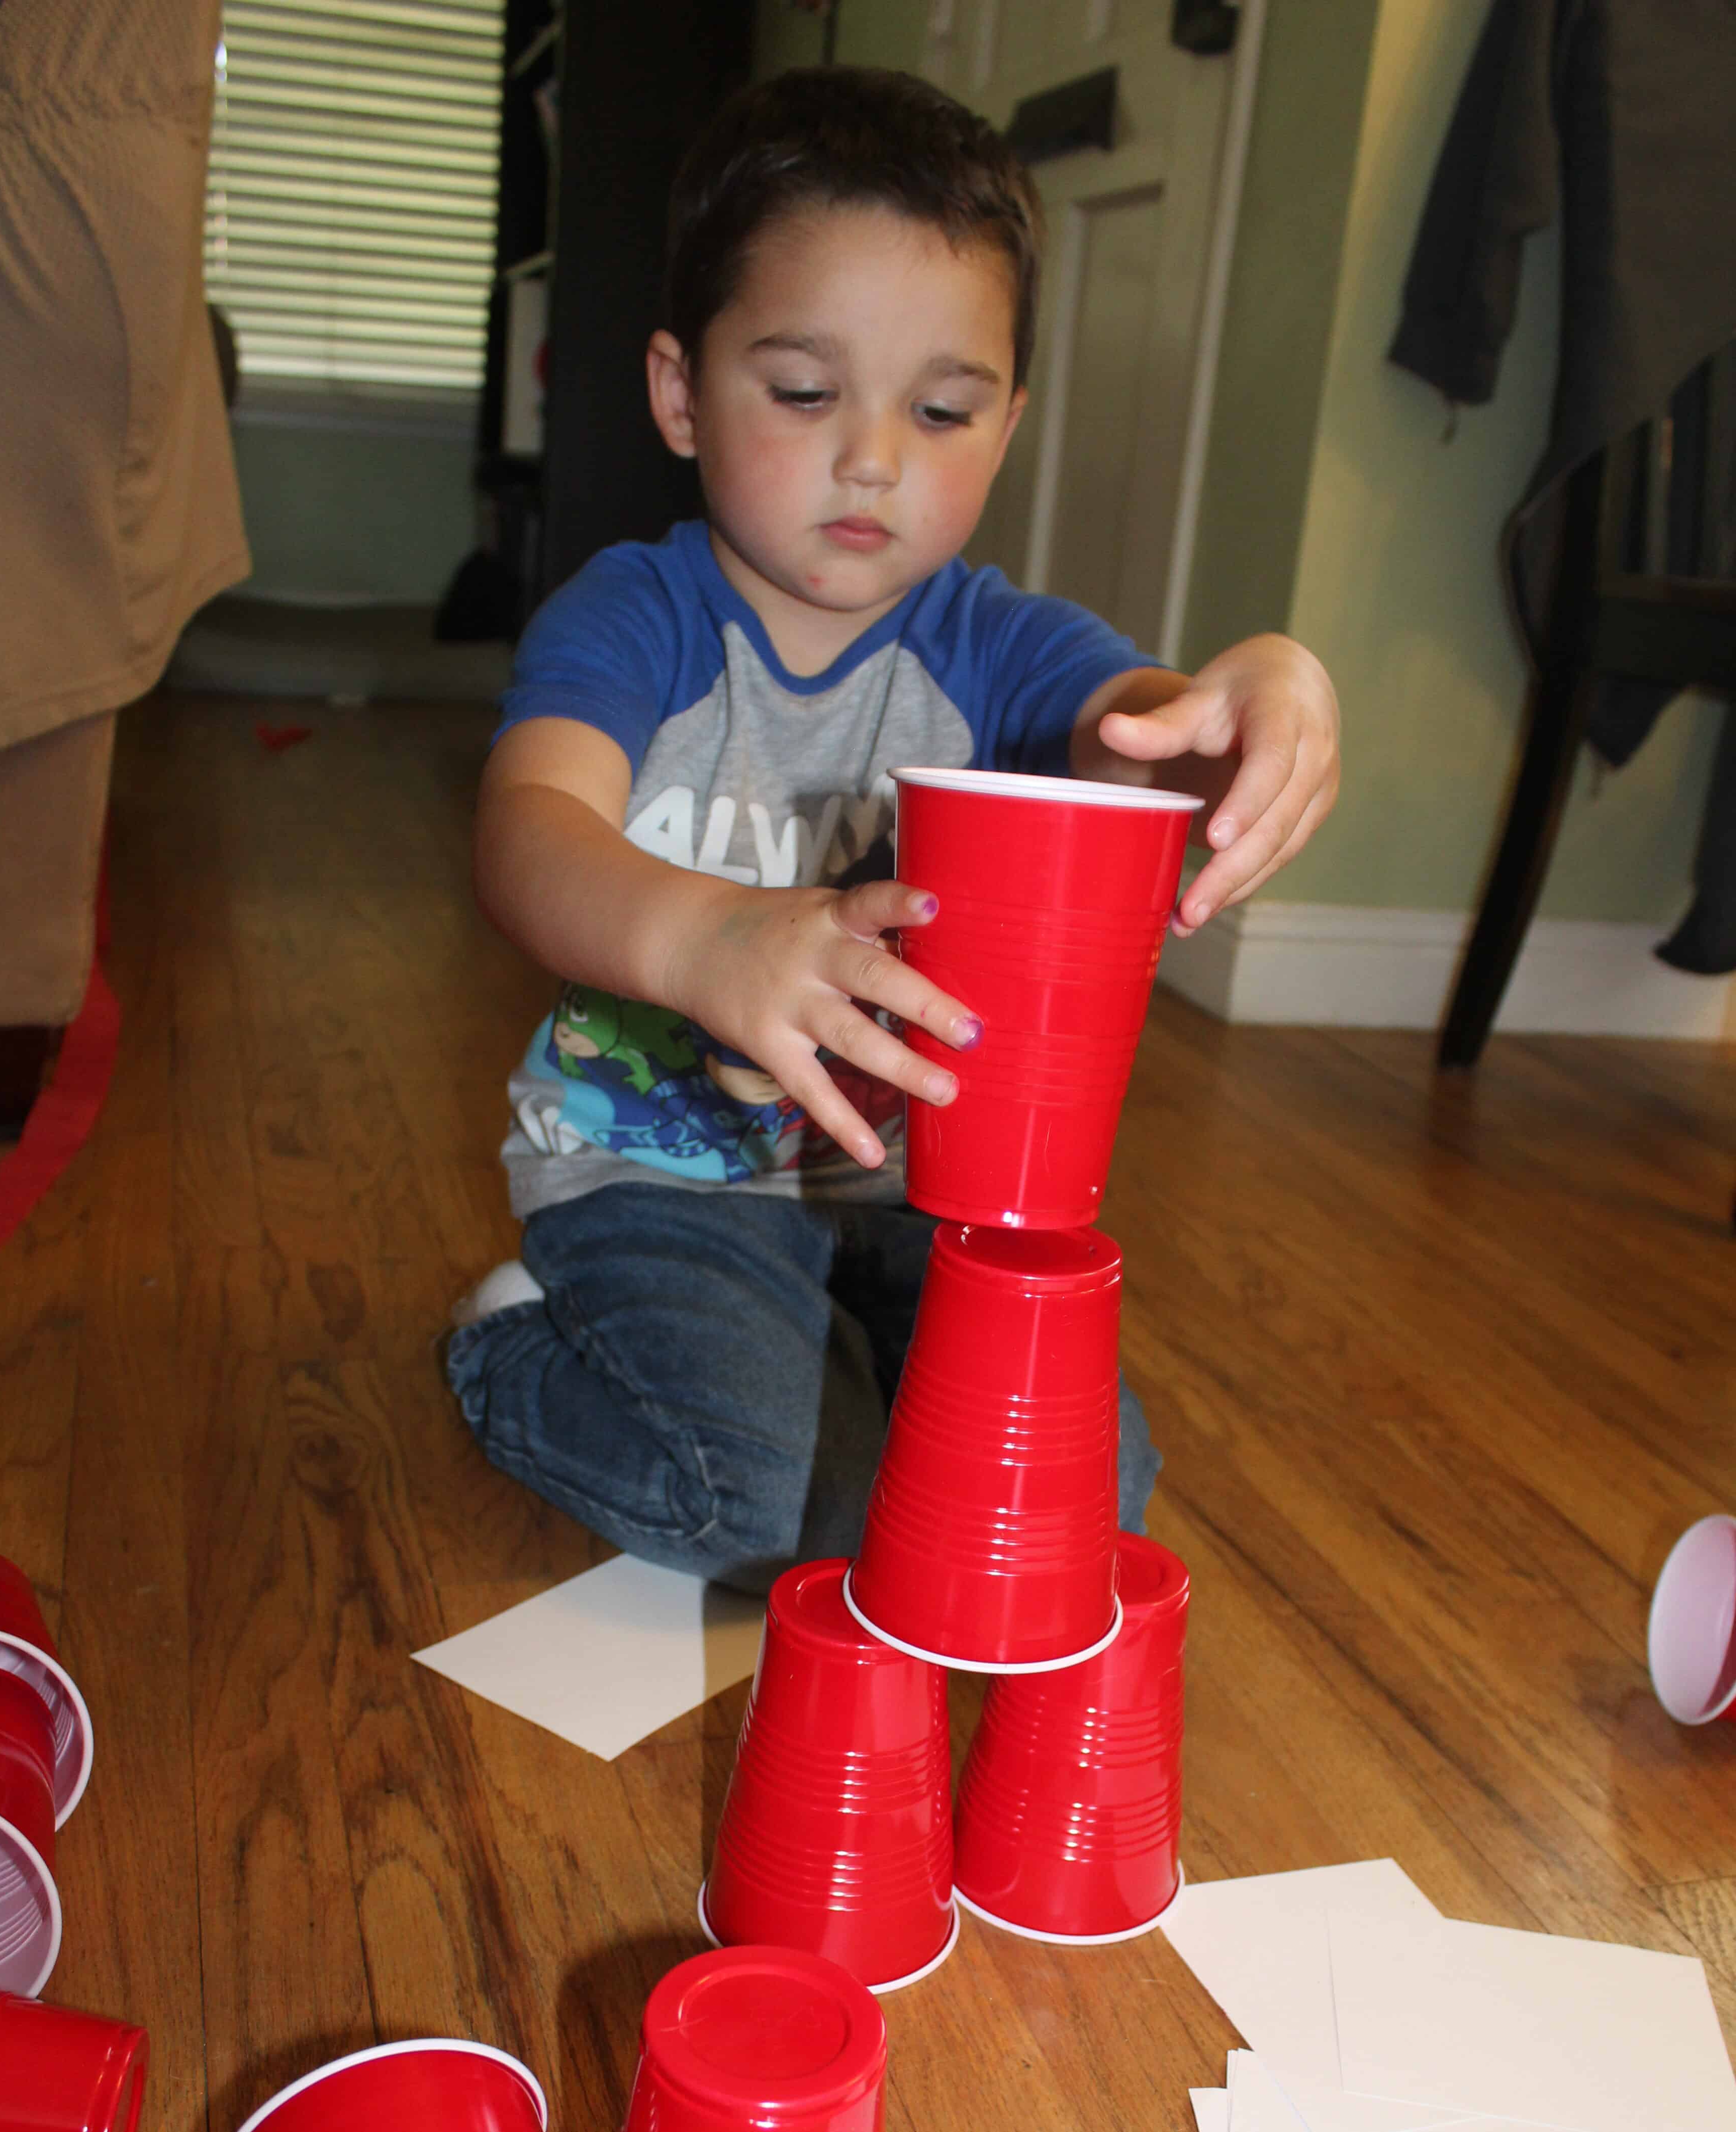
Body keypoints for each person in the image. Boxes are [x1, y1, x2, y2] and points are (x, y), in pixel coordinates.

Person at [448, 66, 1339, 1593]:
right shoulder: (639, 614)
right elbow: (528, 830)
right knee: (781, 1514)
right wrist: (707, 935)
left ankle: (833, 1359)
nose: (875, 457)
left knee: (1075, 1507)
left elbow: (1153, 731)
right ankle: (512, 1344)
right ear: (681, 391)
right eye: (804, 393)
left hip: (926, 1194)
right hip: (660, 1172)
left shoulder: (999, 643)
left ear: (1010, 421)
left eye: (942, 409)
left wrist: (1260, 700)